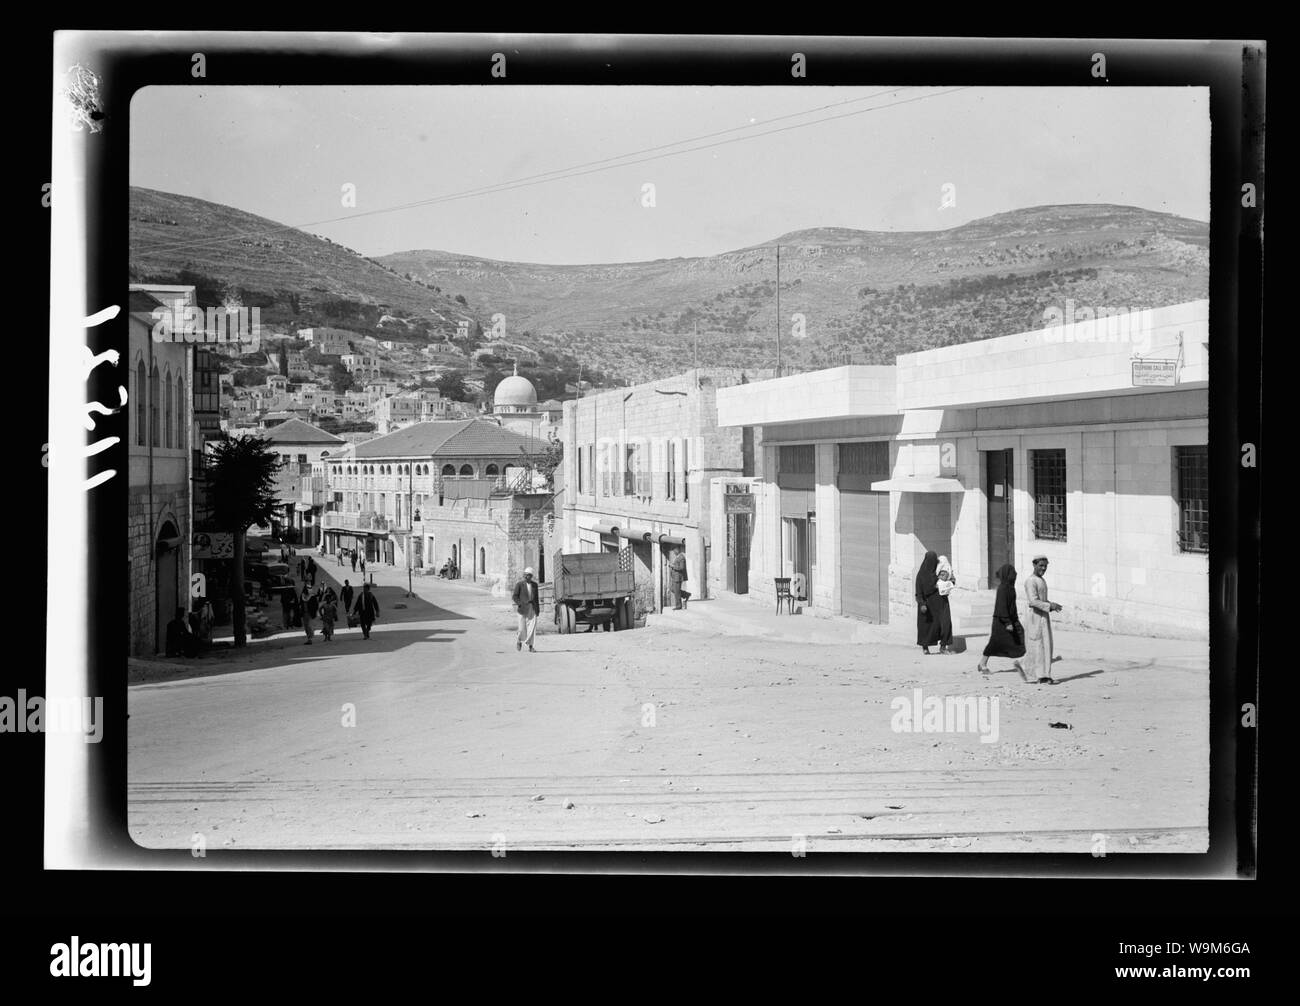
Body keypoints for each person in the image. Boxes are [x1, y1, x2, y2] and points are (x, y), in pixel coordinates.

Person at [977, 563, 1026, 675]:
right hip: (1001, 622)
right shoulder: (1003, 588)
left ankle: (1024, 662)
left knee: (1023, 638)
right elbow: (1002, 606)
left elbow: (1012, 606)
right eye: (1011, 573)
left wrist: (1014, 620)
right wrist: (1007, 622)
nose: (1014, 575)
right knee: (995, 643)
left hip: (1012, 620)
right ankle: (982, 664)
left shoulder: (1010, 587)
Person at [1024, 554, 1063, 684]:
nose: (1043, 568)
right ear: (1034, 565)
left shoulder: (1041, 580)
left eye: (1045, 566)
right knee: (1037, 645)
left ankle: (1045, 674)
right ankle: (1037, 675)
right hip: (1035, 617)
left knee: (1046, 645)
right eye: (1041, 566)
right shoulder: (1031, 581)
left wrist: (1052, 605)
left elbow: (1042, 600)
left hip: (1043, 616)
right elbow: (1033, 601)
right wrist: (1049, 606)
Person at [915, 551, 942, 655]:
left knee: (936, 625)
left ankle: (941, 646)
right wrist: (921, 603)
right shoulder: (920, 575)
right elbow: (918, 592)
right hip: (925, 604)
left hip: (936, 604)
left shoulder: (936, 573)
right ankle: (925, 647)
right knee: (924, 626)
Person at [512, 566, 540, 652]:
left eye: (529, 575)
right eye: (526, 575)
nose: (527, 576)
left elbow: (536, 598)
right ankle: (519, 641)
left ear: (531, 576)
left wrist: (537, 610)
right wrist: (519, 603)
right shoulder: (519, 584)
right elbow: (515, 596)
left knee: (532, 628)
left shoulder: (535, 585)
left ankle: (530, 646)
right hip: (522, 609)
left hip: (532, 608)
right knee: (521, 629)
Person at [934, 555, 956, 655]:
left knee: (946, 623)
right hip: (938, 600)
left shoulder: (948, 571)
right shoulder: (934, 573)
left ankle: (943, 646)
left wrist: (948, 584)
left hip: (943, 600)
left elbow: (953, 581)